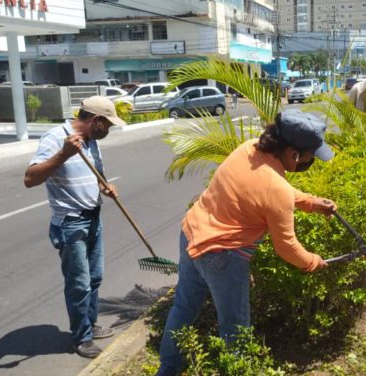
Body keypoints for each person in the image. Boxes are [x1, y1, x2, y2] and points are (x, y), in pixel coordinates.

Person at [157, 110, 337, 376]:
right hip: (222, 256)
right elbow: (287, 247)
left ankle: (168, 370)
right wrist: (313, 262)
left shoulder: (248, 149)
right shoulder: (277, 189)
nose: (312, 160)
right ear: (294, 154)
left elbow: (269, 190)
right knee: (236, 329)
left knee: (183, 307)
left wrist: (310, 202)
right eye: (311, 155)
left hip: (191, 232)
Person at [23, 96, 127, 358]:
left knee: (94, 278)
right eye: (108, 125)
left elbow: (99, 177)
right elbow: (30, 178)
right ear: (96, 121)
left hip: (93, 217)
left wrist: (107, 188)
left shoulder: (92, 142)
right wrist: (63, 154)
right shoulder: (56, 138)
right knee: (79, 283)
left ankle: (89, 324)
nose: (109, 130)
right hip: (70, 222)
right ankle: (81, 337)